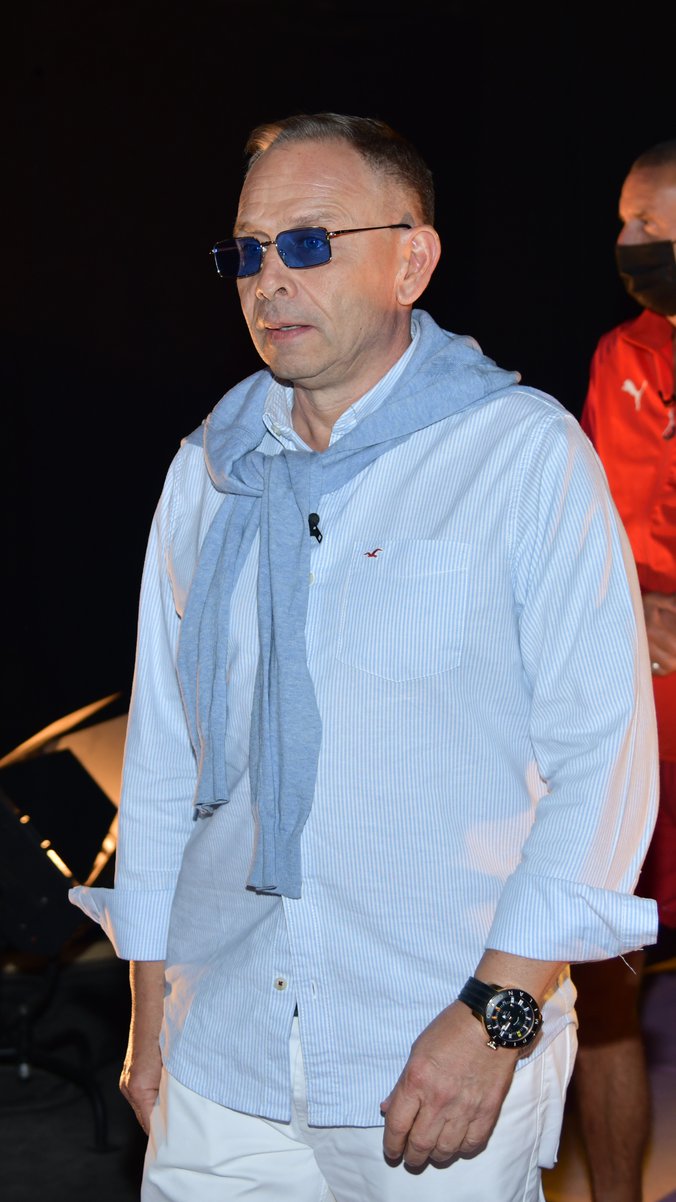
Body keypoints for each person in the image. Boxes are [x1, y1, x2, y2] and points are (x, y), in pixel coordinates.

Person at [69, 113, 659, 1202]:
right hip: (223, 1051)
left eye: (307, 242)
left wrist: (495, 1016)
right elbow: (163, 762)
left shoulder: (519, 455)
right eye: (247, 251)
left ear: (411, 261)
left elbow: (604, 763)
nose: (269, 280)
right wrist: (150, 1008)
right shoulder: (209, 474)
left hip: (434, 1046)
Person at [574, 138, 676, 1202]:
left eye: (650, 221)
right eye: (623, 220)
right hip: (633, 727)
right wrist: (622, 601)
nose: (628, 240)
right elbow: (588, 527)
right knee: (603, 983)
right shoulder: (621, 355)